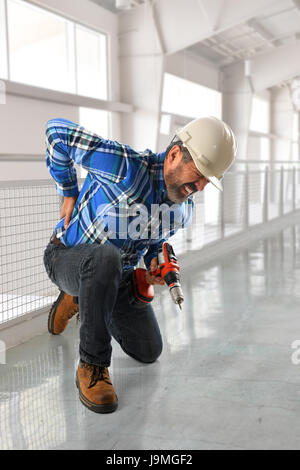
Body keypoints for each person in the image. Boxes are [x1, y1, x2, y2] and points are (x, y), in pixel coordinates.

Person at [43, 116, 236, 414]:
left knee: (149, 351)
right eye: (198, 174)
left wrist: (156, 265)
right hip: (66, 256)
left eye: (206, 181)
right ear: (174, 155)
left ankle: (85, 298)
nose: (198, 187)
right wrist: (67, 190)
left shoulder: (181, 212)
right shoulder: (124, 167)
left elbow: (152, 241)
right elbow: (57, 132)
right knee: (104, 256)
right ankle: (92, 366)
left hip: (114, 275)